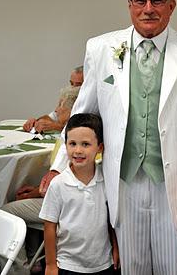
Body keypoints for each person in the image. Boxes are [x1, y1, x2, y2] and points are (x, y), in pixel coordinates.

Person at [46, 0, 177, 274]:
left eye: (157, 0)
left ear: (172, 5)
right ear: (129, 4)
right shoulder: (101, 48)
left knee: (172, 266)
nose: (148, 8)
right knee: (131, 267)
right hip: (123, 177)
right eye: (140, 0)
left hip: (174, 177)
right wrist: (58, 166)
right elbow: (84, 111)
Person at [0, 85, 80, 274]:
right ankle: (32, 257)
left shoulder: (71, 136)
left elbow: (63, 180)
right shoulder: (72, 131)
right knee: (23, 199)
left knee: (6, 213)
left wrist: (35, 191)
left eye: (61, 105)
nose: (57, 108)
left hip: (65, 204)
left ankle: (17, 269)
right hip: (59, 196)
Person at [40, 113, 119, 275]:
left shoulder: (106, 179)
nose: (78, 150)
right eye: (72, 144)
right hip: (68, 265)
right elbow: (49, 226)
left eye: (85, 144)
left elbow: (111, 221)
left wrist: (116, 248)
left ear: (100, 148)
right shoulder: (59, 184)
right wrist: (50, 265)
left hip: (103, 264)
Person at [23, 66, 83, 133]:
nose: (72, 88)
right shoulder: (67, 98)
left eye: (78, 85)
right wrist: (35, 122)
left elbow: (86, 131)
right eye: (71, 83)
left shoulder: (90, 105)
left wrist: (57, 127)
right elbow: (51, 117)